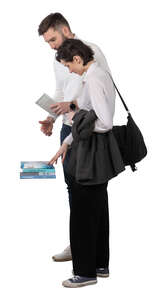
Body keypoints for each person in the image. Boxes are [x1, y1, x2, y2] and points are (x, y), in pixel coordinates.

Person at [49, 39, 125, 288]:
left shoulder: (92, 78)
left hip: (92, 152)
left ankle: (84, 273)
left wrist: (75, 117)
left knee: (82, 212)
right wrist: (66, 143)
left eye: (68, 66)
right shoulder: (97, 74)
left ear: (78, 60)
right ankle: (101, 265)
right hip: (90, 147)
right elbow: (90, 110)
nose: (68, 71)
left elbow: (104, 122)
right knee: (98, 209)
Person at [38, 12, 114, 262]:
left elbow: (100, 93)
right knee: (74, 189)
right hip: (69, 129)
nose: (51, 46)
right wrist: (51, 119)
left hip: (89, 128)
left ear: (66, 30)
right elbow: (61, 91)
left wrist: (73, 107)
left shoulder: (91, 52)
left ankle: (90, 251)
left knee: (90, 191)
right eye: (47, 42)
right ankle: (78, 242)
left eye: (52, 39)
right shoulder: (58, 58)